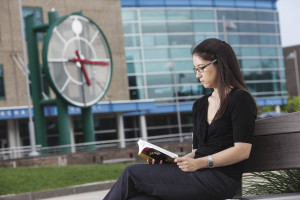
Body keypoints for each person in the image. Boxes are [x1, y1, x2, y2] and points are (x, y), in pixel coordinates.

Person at [103, 38, 257, 200]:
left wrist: (200, 163)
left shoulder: (240, 99)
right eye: (195, 69)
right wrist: (174, 161)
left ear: (220, 64)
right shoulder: (200, 105)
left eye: (201, 68)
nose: (198, 75)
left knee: (131, 173)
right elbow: (197, 151)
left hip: (220, 179)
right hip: (196, 174)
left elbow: (242, 150)